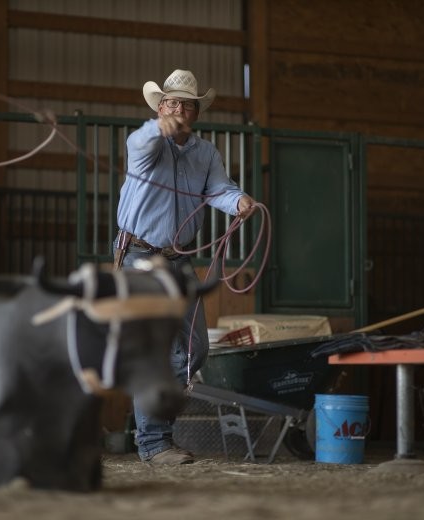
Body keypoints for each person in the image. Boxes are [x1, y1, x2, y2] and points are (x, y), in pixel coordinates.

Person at [113, 69, 256, 465]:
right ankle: (154, 443)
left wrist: (239, 201)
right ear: (160, 108)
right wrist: (159, 127)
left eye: (186, 105)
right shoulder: (146, 144)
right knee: (157, 347)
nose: (179, 110)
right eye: (171, 103)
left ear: (196, 113)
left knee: (194, 348)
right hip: (141, 257)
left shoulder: (206, 153)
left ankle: (157, 430)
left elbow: (219, 189)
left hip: (178, 258)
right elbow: (138, 142)